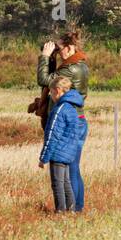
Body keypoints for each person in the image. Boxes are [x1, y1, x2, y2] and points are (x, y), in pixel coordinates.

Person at [34, 29, 89, 210]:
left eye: (60, 49)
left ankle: (71, 210)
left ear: (70, 47)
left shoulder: (69, 68)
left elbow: (45, 80)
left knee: (68, 167)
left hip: (67, 120)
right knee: (74, 167)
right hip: (77, 118)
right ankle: (77, 208)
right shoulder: (80, 64)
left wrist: (44, 57)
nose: (58, 53)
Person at [38, 76, 88, 213]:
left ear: (58, 90)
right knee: (66, 183)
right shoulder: (72, 108)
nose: (51, 97)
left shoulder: (59, 110)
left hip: (58, 153)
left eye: (51, 93)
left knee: (57, 184)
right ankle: (71, 211)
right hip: (68, 153)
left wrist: (43, 158)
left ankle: (60, 211)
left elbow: (52, 135)